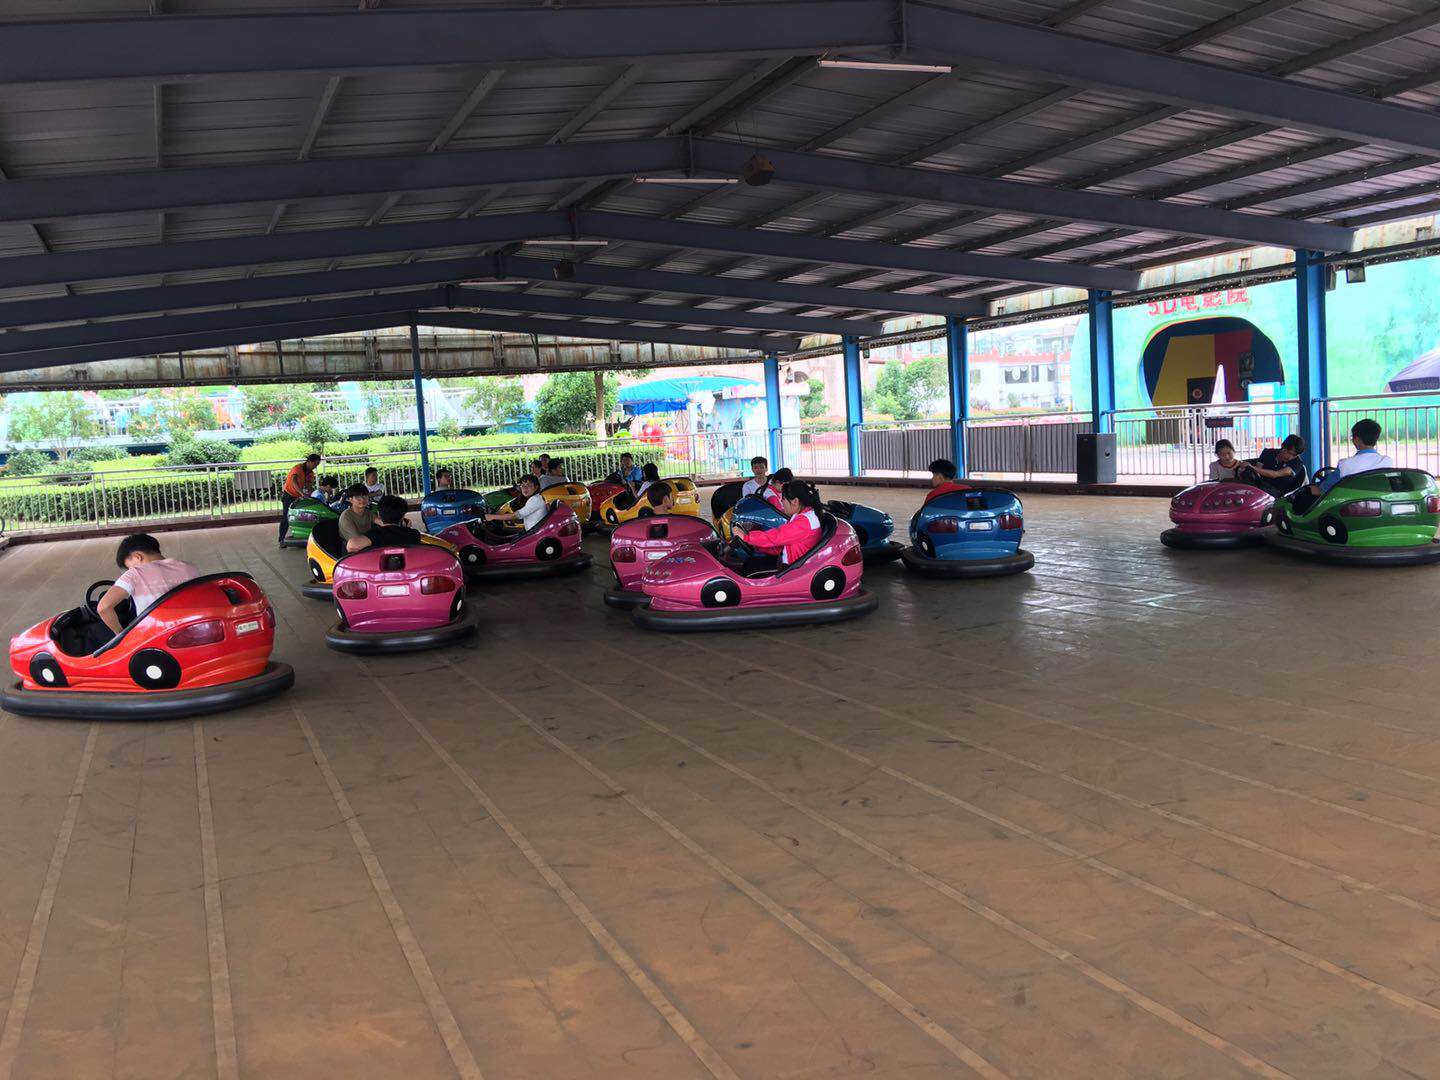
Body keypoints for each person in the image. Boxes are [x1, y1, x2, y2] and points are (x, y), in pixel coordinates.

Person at [96, 534, 201, 636]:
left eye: (130, 566)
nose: (131, 569)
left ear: (137, 557)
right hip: (195, 631)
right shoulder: (190, 568)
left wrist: (120, 635)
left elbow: (104, 608)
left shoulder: (135, 574)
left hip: (156, 637)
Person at [1289, 419, 1393, 515]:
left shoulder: (1345, 464)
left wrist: (1305, 490)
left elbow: (1324, 489)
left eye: (1352, 438)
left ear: (1357, 439)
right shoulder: (1387, 461)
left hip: (1353, 511)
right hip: (1381, 508)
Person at [731, 480, 825, 575]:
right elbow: (784, 545)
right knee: (751, 563)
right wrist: (758, 547)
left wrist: (746, 537)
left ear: (795, 501)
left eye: (783, 499)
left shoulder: (805, 522)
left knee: (748, 571)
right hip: (790, 562)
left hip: (793, 570)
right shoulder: (802, 515)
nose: (781, 501)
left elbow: (777, 536)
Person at [1237, 434, 1307, 499]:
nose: (1290, 457)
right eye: (1289, 453)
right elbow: (1258, 471)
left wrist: (1251, 467)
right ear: (1283, 447)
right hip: (1260, 485)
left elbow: (1275, 474)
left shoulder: (1297, 463)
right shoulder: (1268, 453)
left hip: (1278, 493)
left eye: (1294, 455)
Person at [347, 495, 423, 553]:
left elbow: (351, 546)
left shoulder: (375, 534)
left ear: (379, 514)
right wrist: (406, 529)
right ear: (403, 516)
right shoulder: (414, 534)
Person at [281, 452, 321, 546]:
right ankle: (281, 539)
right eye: (315, 464)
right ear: (309, 461)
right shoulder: (297, 468)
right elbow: (294, 482)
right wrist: (302, 493)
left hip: (298, 496)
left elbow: (309, 485)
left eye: (317, 465)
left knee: (300, 515)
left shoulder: (311, 473)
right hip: (288, 494)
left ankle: (300, 535)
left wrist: (311, 495)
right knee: (286, 517)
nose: (315, 466)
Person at [337, 484, 377, 548]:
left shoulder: (368, 512)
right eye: (357, 497)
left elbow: (381, 522)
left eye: (364, 496)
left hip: (367, 546)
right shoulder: (346, 517)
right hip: (353, 550)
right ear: (350, 499)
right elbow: (356, 541)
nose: (362, 499)